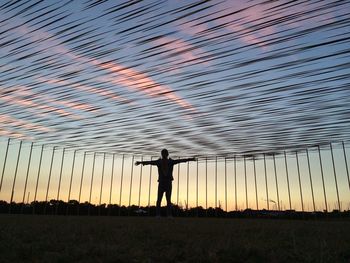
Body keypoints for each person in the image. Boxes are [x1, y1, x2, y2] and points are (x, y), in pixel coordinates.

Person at [135, 149, 196, 217]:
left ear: (167, 154)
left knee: (168, 200)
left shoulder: (170, 161)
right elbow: (150, 162)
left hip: (168, 183)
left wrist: (190, 159)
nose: (164, 154)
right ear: (162, 154)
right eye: (163, 153)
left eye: (165, 153)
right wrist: (140, 162)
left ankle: (169, 215)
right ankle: (158, 214)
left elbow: (180, 160)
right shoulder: (159, 162)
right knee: (159, 199)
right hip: (161, 182)